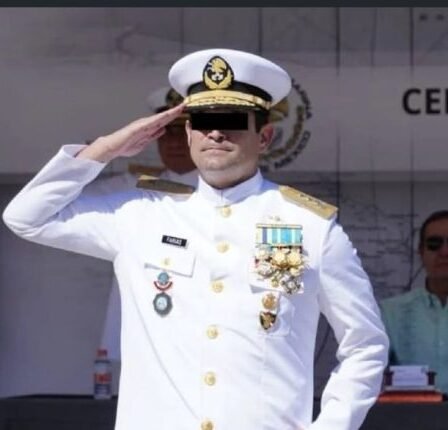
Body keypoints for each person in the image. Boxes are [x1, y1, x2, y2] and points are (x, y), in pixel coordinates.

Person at [2, 48, 388, 430]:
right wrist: (105, 149)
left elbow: (365, 344)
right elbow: (26, 217)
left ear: (265, 137)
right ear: (189, 133)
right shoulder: (138, 212)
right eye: (203, 121)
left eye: (233, 122)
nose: (216, 133)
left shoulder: (311, 227)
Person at [91, 87, 198, 364]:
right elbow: (44, 209)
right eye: (166, 133)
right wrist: (101, 152)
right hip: (144, 334)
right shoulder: (133, 187)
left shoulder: (230, 190)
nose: (173, 142)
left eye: (183, 131)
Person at [380, 210, 448, 393]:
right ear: (421, 253)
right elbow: (369, 376)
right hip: (412, 411)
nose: (444, 252)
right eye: (434, 244)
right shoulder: (391, 313)